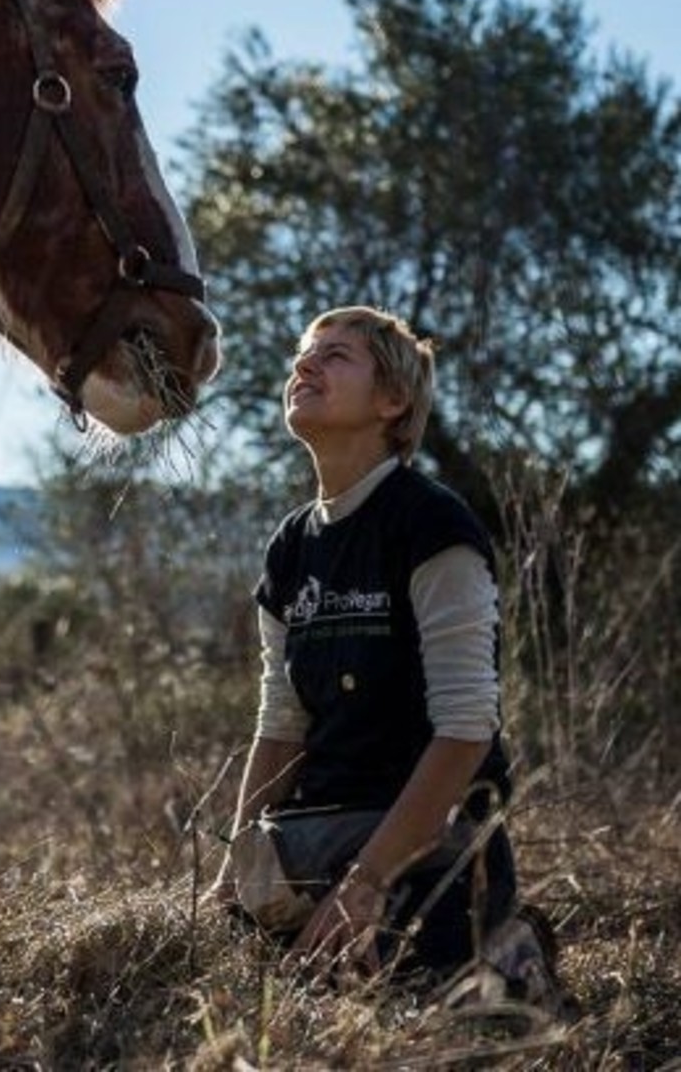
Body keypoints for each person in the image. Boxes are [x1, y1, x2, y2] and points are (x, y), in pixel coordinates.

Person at [213, 306, 564, 1006]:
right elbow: (280, 726)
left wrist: (366, 884)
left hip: (428, 846)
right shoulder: (289, 548)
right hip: (314, 843)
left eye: (336, 356)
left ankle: (501, 948)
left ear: (394, 401)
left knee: (413, 1007)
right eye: (304, 354)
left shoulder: (432, 525)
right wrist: (233, 874)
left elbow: (466, 729)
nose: (304, 365)